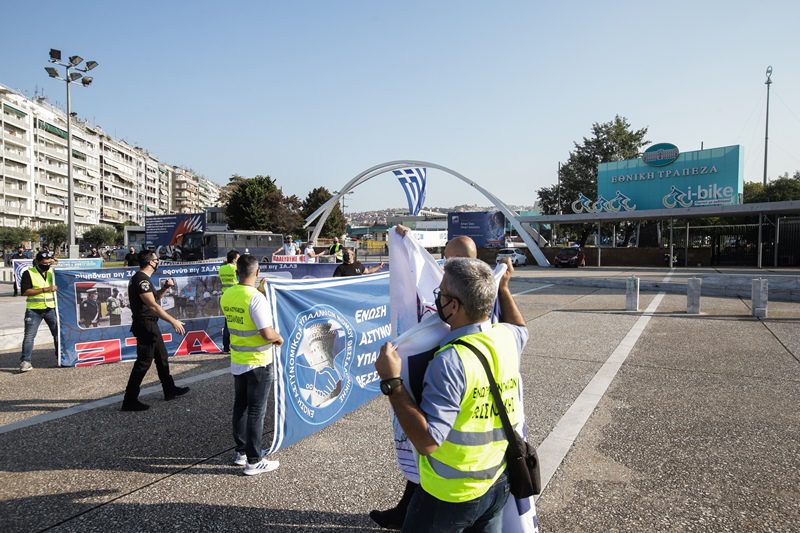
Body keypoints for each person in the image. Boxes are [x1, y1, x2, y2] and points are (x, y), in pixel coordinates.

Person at [375, 258, 528, 532]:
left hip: (450, 494)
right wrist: (504, 288)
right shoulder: (507, 338)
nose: (438, 299)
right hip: (497, 482)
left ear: (454, 306)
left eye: (442, 294)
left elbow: (428, 441)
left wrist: (392, 382)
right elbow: (520, 328)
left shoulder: (450, 361)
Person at [369, 228, 479, 529]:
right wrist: (410, 243)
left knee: (428, 446)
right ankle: (406, 508)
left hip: (451, 391)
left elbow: (428, 440)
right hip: (454, 393)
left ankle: (409, 514)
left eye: (448, 261)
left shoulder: (468, 299)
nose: (442, 268)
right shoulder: (483, 291)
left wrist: (393, 383)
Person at [221, 254, 284, 475]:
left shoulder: (228, 294)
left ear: (237, 272)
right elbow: (266, 332)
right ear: (257, 273)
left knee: (241, 406)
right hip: (258, 361)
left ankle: (241, 452)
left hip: (238, 359)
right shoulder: (256, 298)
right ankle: (255, 460)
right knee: (256, 411)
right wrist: (278, 338)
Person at [121, 250, 189, 412]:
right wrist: (173, 321)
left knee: (162, 357)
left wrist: (165, 287)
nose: (158, 262)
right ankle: (129, 400)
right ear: (151, 262)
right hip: (146, 325)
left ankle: (169, 389)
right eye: (157, 260)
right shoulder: (141, 280)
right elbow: (152, 305)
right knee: (143, 362)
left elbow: (153, 298)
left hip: (150, 324)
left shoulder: (144, 280)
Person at [18, 251, 59, 373]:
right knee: (29, 336)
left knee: (57, 335)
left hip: (50, 308)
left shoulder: (52, 272)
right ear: (38, 262)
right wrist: (45, 289)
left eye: (48, 262)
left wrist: (56, 261)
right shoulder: (29, 273)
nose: (47, 264)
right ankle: (26, 361)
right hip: (34, 310)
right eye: (44, 262)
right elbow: (25, 292)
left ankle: (60, 356)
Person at [218, 250, 240, 352]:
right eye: (238, 258)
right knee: (235, 322)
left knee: (227, 321)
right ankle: (233, 345)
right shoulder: (235, 268)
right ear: (235, 258)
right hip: (235, 296)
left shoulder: (221, 268)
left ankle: (226, 346)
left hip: (225, 296)